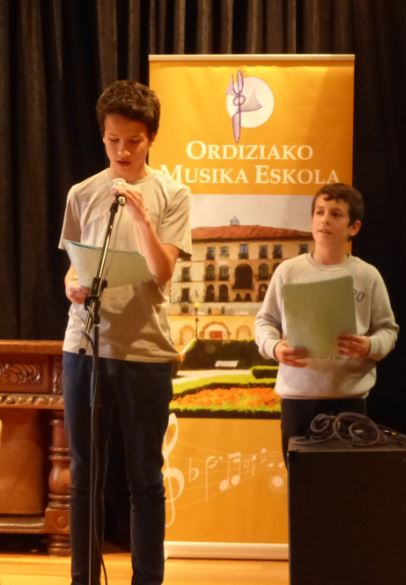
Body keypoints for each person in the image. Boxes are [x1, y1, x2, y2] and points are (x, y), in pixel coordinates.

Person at [59, 80, 191, 585]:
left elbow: (162, 271)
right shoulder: (82, 193)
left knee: (144, 479)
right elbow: (73, 268)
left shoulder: (172, 194)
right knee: (84, 477)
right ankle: (84, 579)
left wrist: (140, 216)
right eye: (113, 140)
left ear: (150, 137)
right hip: (85, 346)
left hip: (145, 351)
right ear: (103, 136)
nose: (123, 150)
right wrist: (72, 285)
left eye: (133, 141)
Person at [255, 182, 398, 464]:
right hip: (298, 399)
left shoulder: (367, 275)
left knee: (345, 484)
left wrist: (370, 345)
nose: (325, 220)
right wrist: (274, 348)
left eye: (335, 214)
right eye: (319, 212)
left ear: (353, 227)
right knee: (301, 484)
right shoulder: (288, 272)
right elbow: (265, 321)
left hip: (350, 400)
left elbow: (388, 330)